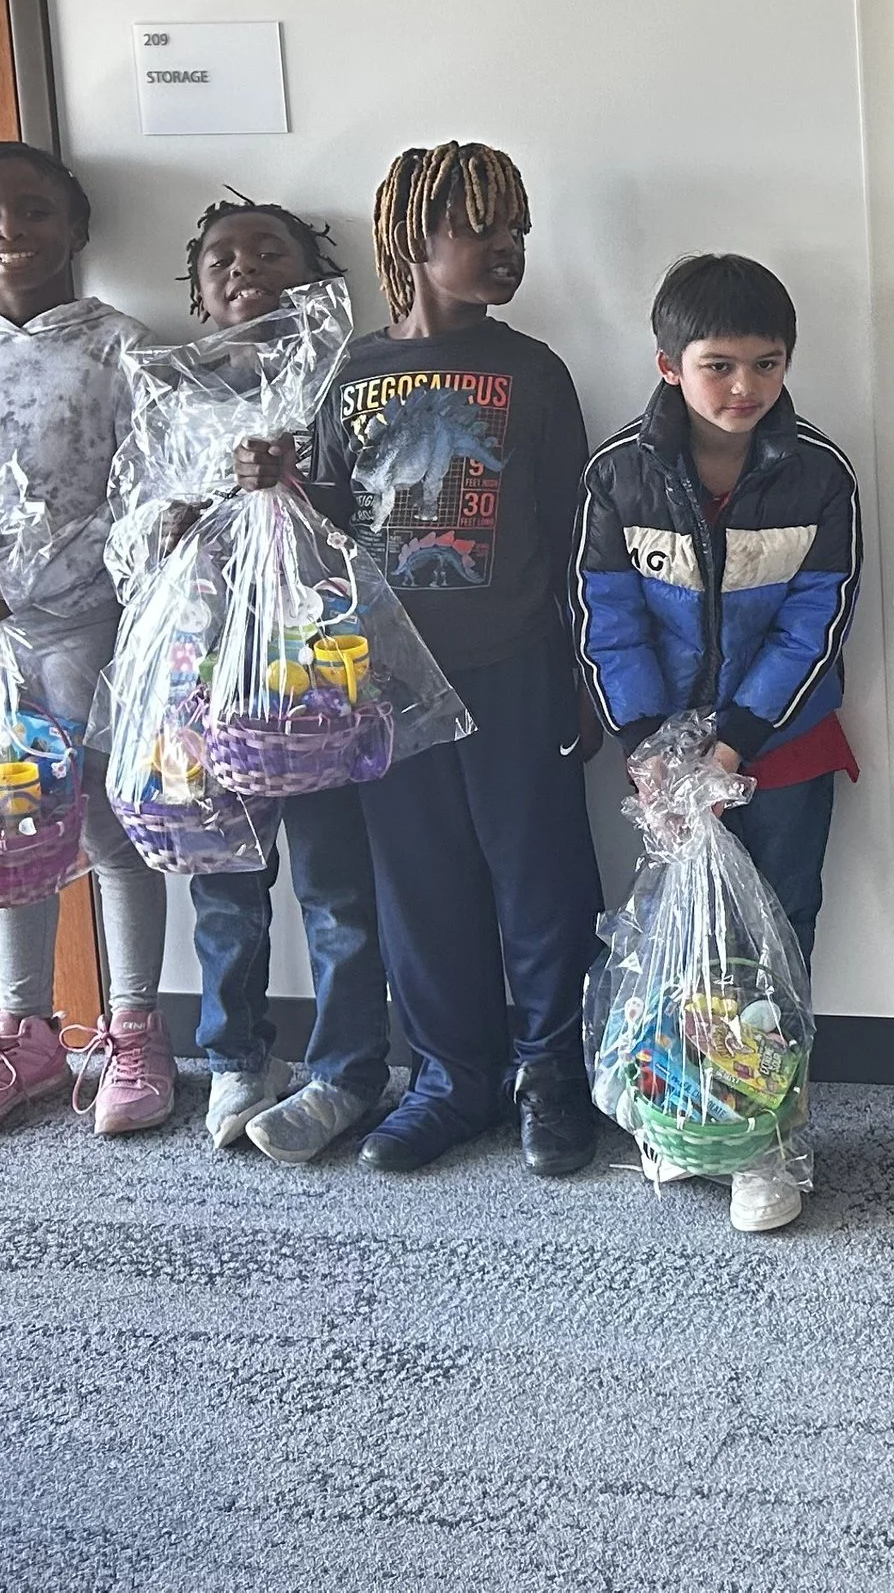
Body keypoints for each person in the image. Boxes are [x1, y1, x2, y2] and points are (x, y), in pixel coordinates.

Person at [236, 142, 602, 1178]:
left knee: (541, 884)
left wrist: (585, 676)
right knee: (419, 890)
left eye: (516, 229)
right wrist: (279, 479)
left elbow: (576, 530)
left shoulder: (534, 371)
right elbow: (328, 531)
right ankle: (452, 1078)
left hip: (516, 669)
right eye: (479, 228)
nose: (506, 247)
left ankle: (552, 1075)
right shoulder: (348, 373)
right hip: (387, 686)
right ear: (410, 237)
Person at [575, 252, 861, 1231]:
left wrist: (732, 744)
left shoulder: (818, 474)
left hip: (783, 748)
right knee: (686, 939)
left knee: (776, 933)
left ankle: (771, 1135)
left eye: (766, 364)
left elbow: (817, 623)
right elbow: (605, 621)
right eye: (719, 366)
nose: (745, 388)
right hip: (664, 760)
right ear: (669, 366)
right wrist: (654, 747)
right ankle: (689, 1107)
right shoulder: (618, 476)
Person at [130, 196, 394, 1165]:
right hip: (205, 693)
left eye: (269, 253)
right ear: (199, 296)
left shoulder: (344, 387)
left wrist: (295, 486)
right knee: (226, 891)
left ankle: (349, 1070)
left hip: (314, 693)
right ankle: (236, 1058)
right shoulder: (173, 399)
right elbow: (135, 528)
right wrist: (170, 525)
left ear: (316, 283)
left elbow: (378, 521)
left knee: (336, 889)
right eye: (221, 260)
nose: (243, 267)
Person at [0, 142, 171, 1140]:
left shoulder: (123, 348)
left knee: (108, 819)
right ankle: (22, 1034)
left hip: (86, 621)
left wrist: (88, 552)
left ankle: (137, 1028)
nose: (10, 231)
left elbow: (153, 483)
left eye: (33, 210)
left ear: (77, 228)